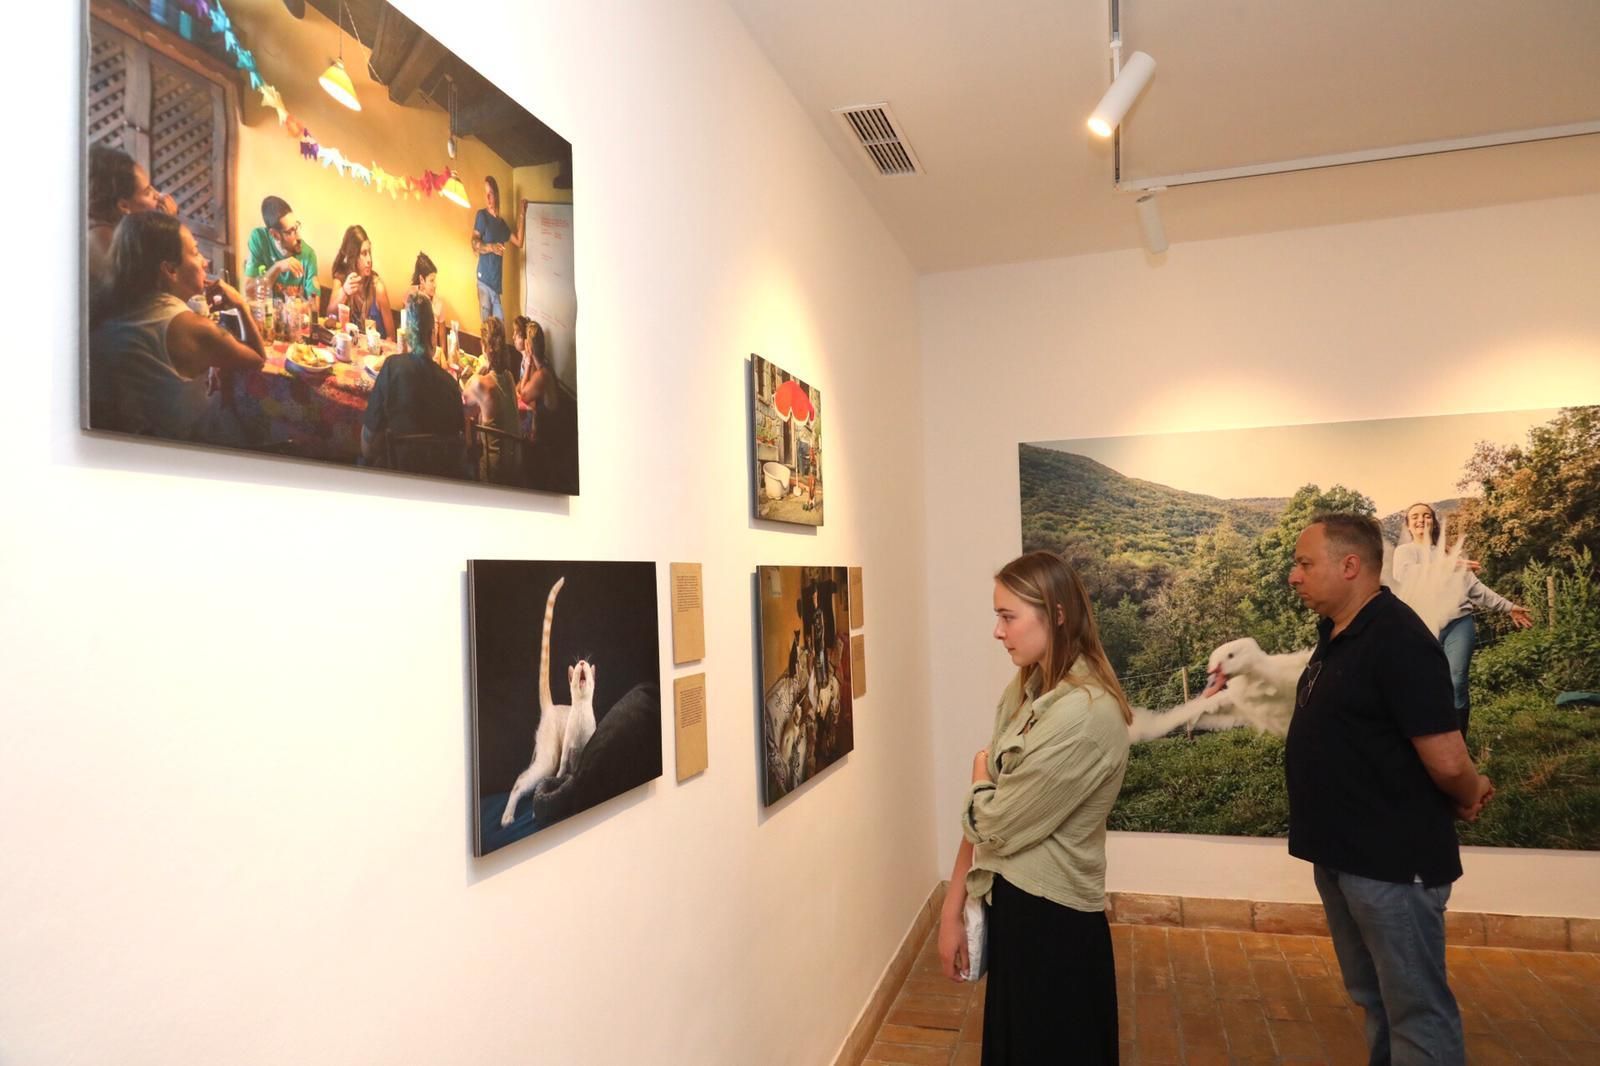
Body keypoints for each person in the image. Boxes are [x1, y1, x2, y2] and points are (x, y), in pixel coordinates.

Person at [1285, 513, 1493, 1066]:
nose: (1293, 576)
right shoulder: (1339, 633)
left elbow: (1447, 759)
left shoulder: (1397, 638)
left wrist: (1470, 790)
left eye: (1304, 563)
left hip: (1391, 865)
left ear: (1350, 566)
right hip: (1344, 855)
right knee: (1376, 997)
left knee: (1415, 1009)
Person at [937, 551, 1132, 1066]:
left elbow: (992, 821)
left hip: (1054, 925)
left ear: (1057, 614)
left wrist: (979, 777)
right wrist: (952, 908)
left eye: (1009, 616)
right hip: (1018, 910)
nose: (998, 632)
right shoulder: (1028, 688)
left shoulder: (1086, 715)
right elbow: (987, 817)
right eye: (997, 616)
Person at [88, 211, 265, 443]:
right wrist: (241, 304)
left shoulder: (107, 309)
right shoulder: (192, 328)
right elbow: (257, 358)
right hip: (194, 445)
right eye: (196, 252)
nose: (205, 261)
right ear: (170, 270)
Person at [1393, 502, 1533, 734]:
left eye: (1427, 515)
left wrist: (1509, 607)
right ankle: (1430, 738)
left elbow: (1475, 589)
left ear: (1433, 522)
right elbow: (1404, 574)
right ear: (1408, 525)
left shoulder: (1449, 554)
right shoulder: (1405, 553)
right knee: (1425, 683)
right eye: (1415, 516)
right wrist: (1447, 565)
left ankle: (1459, 740)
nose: (1421, 520)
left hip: (1459, 623)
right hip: (1423, 627)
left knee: (1456, 680)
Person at [361, 292, 465, 476]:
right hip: (438, 482)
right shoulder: (452, 385)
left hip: (396, 479)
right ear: (433, 335)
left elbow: (367, 448)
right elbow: (457, 453)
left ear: (407, 334)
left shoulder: (392, 367)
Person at [87, 145, 176, 281]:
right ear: (123, 206)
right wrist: (169, 229)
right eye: (147, 192)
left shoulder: (117, 228)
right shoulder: (106, 243)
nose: (158, 195)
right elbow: (153, 284)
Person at [467, 316, 522, 485]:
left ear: (484, 347)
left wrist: (479, 370)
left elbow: (463, 401)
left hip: (495, 473)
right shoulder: (509, 377)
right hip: (516, 464)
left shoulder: (480, 383)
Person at [470, 175, 528, 326]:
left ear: (496, 195)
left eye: (490, 194)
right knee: (487, 328)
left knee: (500, 328)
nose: (488, 198)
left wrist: (522, 214)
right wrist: (491, 247)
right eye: (486, 194)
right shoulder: (482, 216)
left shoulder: (501, 224)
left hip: (496, 287)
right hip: (483, 282)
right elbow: (474, 242)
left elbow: (519, 242)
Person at [243, 195, 319, 301]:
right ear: (275, 235)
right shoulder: (259, 239)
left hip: (293, 311)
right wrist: (277, 268)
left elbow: (315, 304)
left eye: (297, 226)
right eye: (290, 231)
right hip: (265, 310)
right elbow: (249, 292)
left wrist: (301, 308)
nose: (299, 236)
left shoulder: (308, 255)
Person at [326, 225, 395, 340]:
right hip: (350, 348)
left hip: (376, 349)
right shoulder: (342, 280)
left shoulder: (378, 288)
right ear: (353, 256)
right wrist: (344, 292)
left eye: (369, 252)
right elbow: (329, 316)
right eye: (364, 253)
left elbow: (391, 337)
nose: (369, 260)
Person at [513, 315, 556, 438]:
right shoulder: (544, 365)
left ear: (528, 347)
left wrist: (528, 363)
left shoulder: (541, 375)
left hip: (546, 435)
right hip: (543, 426)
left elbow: (523, 395)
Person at [408, 252, 445, 352]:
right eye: (431, 280)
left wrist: (442, 355)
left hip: (431, 353)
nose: (435, 285)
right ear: (421, 279)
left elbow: (442, 339)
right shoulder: (411, 296)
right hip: (413, 351)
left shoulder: (439, 304)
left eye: (435, 280)